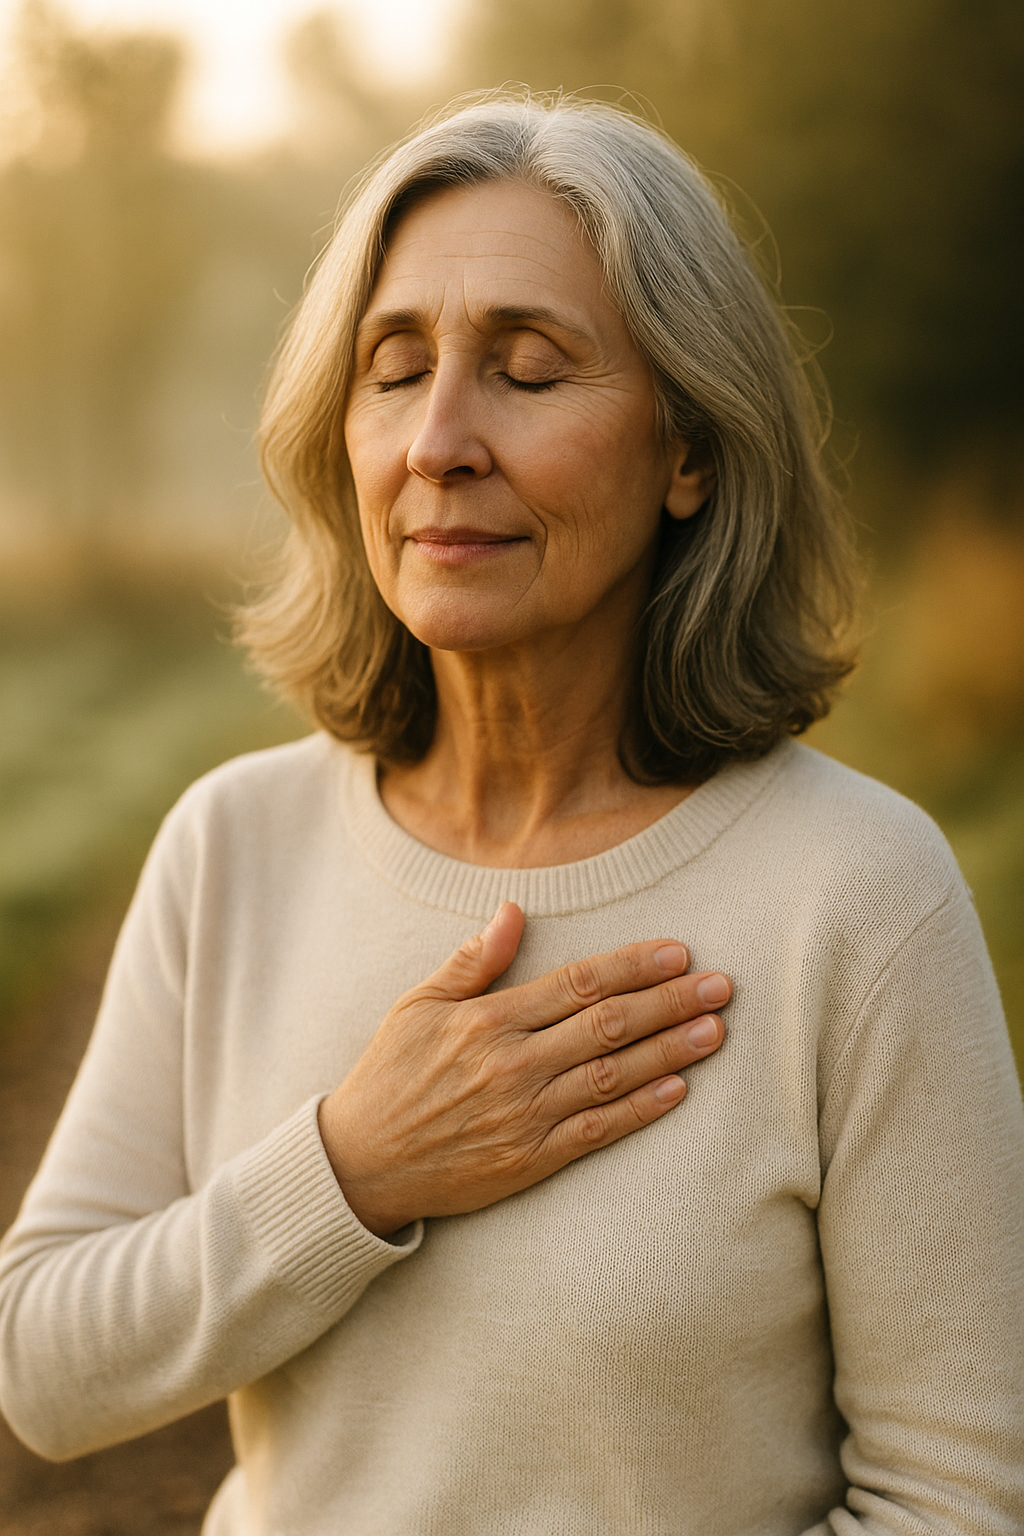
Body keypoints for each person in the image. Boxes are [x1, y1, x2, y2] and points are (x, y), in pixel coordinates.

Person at [1, 94, 1022, 1536]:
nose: (440, 441)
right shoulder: (231, 848)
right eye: (395, 369)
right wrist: (355, 1167)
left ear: (691, 452)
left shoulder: (857, 896)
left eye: (530, 372)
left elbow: (960, 1499)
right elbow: (43, 1366)